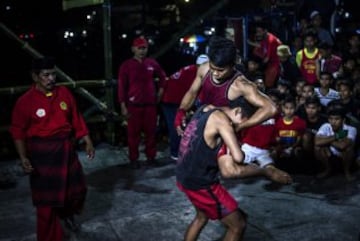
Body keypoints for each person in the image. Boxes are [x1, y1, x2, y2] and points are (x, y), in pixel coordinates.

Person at [176, 98, 292, 241]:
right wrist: (266, 171)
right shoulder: (223, 123)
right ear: (237, 111)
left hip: (184, 175)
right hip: (201, 184)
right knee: (238, 224)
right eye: (243, 123)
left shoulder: (206, 108)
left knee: (201, 217)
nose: (240, 128)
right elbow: (232, 168)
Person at [9, 56, 95, 241]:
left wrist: (86, 139)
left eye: (53, 75)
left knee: (77, 190)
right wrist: (23, 157)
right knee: (46, 203)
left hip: (65, 149)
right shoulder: (25, 101)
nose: (51, 79)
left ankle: (66, 214)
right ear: (35, 77)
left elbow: (76, 117)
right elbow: (17, 131)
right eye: (46, 75)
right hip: (42, 156)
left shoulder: (64, 93)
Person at [174, 36, 278, 137]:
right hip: (203, 124)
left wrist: (242, 126)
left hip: (223, 135)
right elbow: (192, 92)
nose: (215, 73)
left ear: (232, 66)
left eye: (220, 70)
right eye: (212, 68)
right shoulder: (204, 68)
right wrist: (181, 111)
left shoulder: (241, 85)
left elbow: (271, 108)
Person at [117, 36, 167, 169]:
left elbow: (162, 76)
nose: (142, 51)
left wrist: (160, 91)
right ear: (133, 49)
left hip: (150, 105)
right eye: (139, 48)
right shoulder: (126, 65)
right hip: (133, 106)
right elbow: (122, 86)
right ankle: (134, 159)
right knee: (133, 135)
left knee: (151, 132)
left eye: (144, 48)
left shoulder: (151, 63)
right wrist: (122, 105)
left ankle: (151, 157)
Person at [161, 54, 209, 160]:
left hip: (178, 100)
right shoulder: (193, 73)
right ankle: (175, 153)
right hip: (171, 101)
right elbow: (194, 93)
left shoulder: (195, 70)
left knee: (185, 125)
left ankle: (184, 152)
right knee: (176, 127)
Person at [314, 101, 357, 181]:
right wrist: (337, 136)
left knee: (348, 148)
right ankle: (328, 169)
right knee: (318, 147)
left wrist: (326, 140)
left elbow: (342, 146)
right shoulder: (326, 126)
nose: (333, 122)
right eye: (331, 119)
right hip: (329, 155)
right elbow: (317, 142)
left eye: (337, 119)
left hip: (343, 156)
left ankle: (347, 172)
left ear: (343, 120)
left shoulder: (351, 129)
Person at [247, 21, 283, 88]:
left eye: (259, 31)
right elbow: (259, 48)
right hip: (266, 62)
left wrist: (258, 66)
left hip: (274, 64)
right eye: (257, 31)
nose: (258, 34)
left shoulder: (271, 40)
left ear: (265, 31)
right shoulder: (265, 38)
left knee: (268, 84)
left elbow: (266, 59)